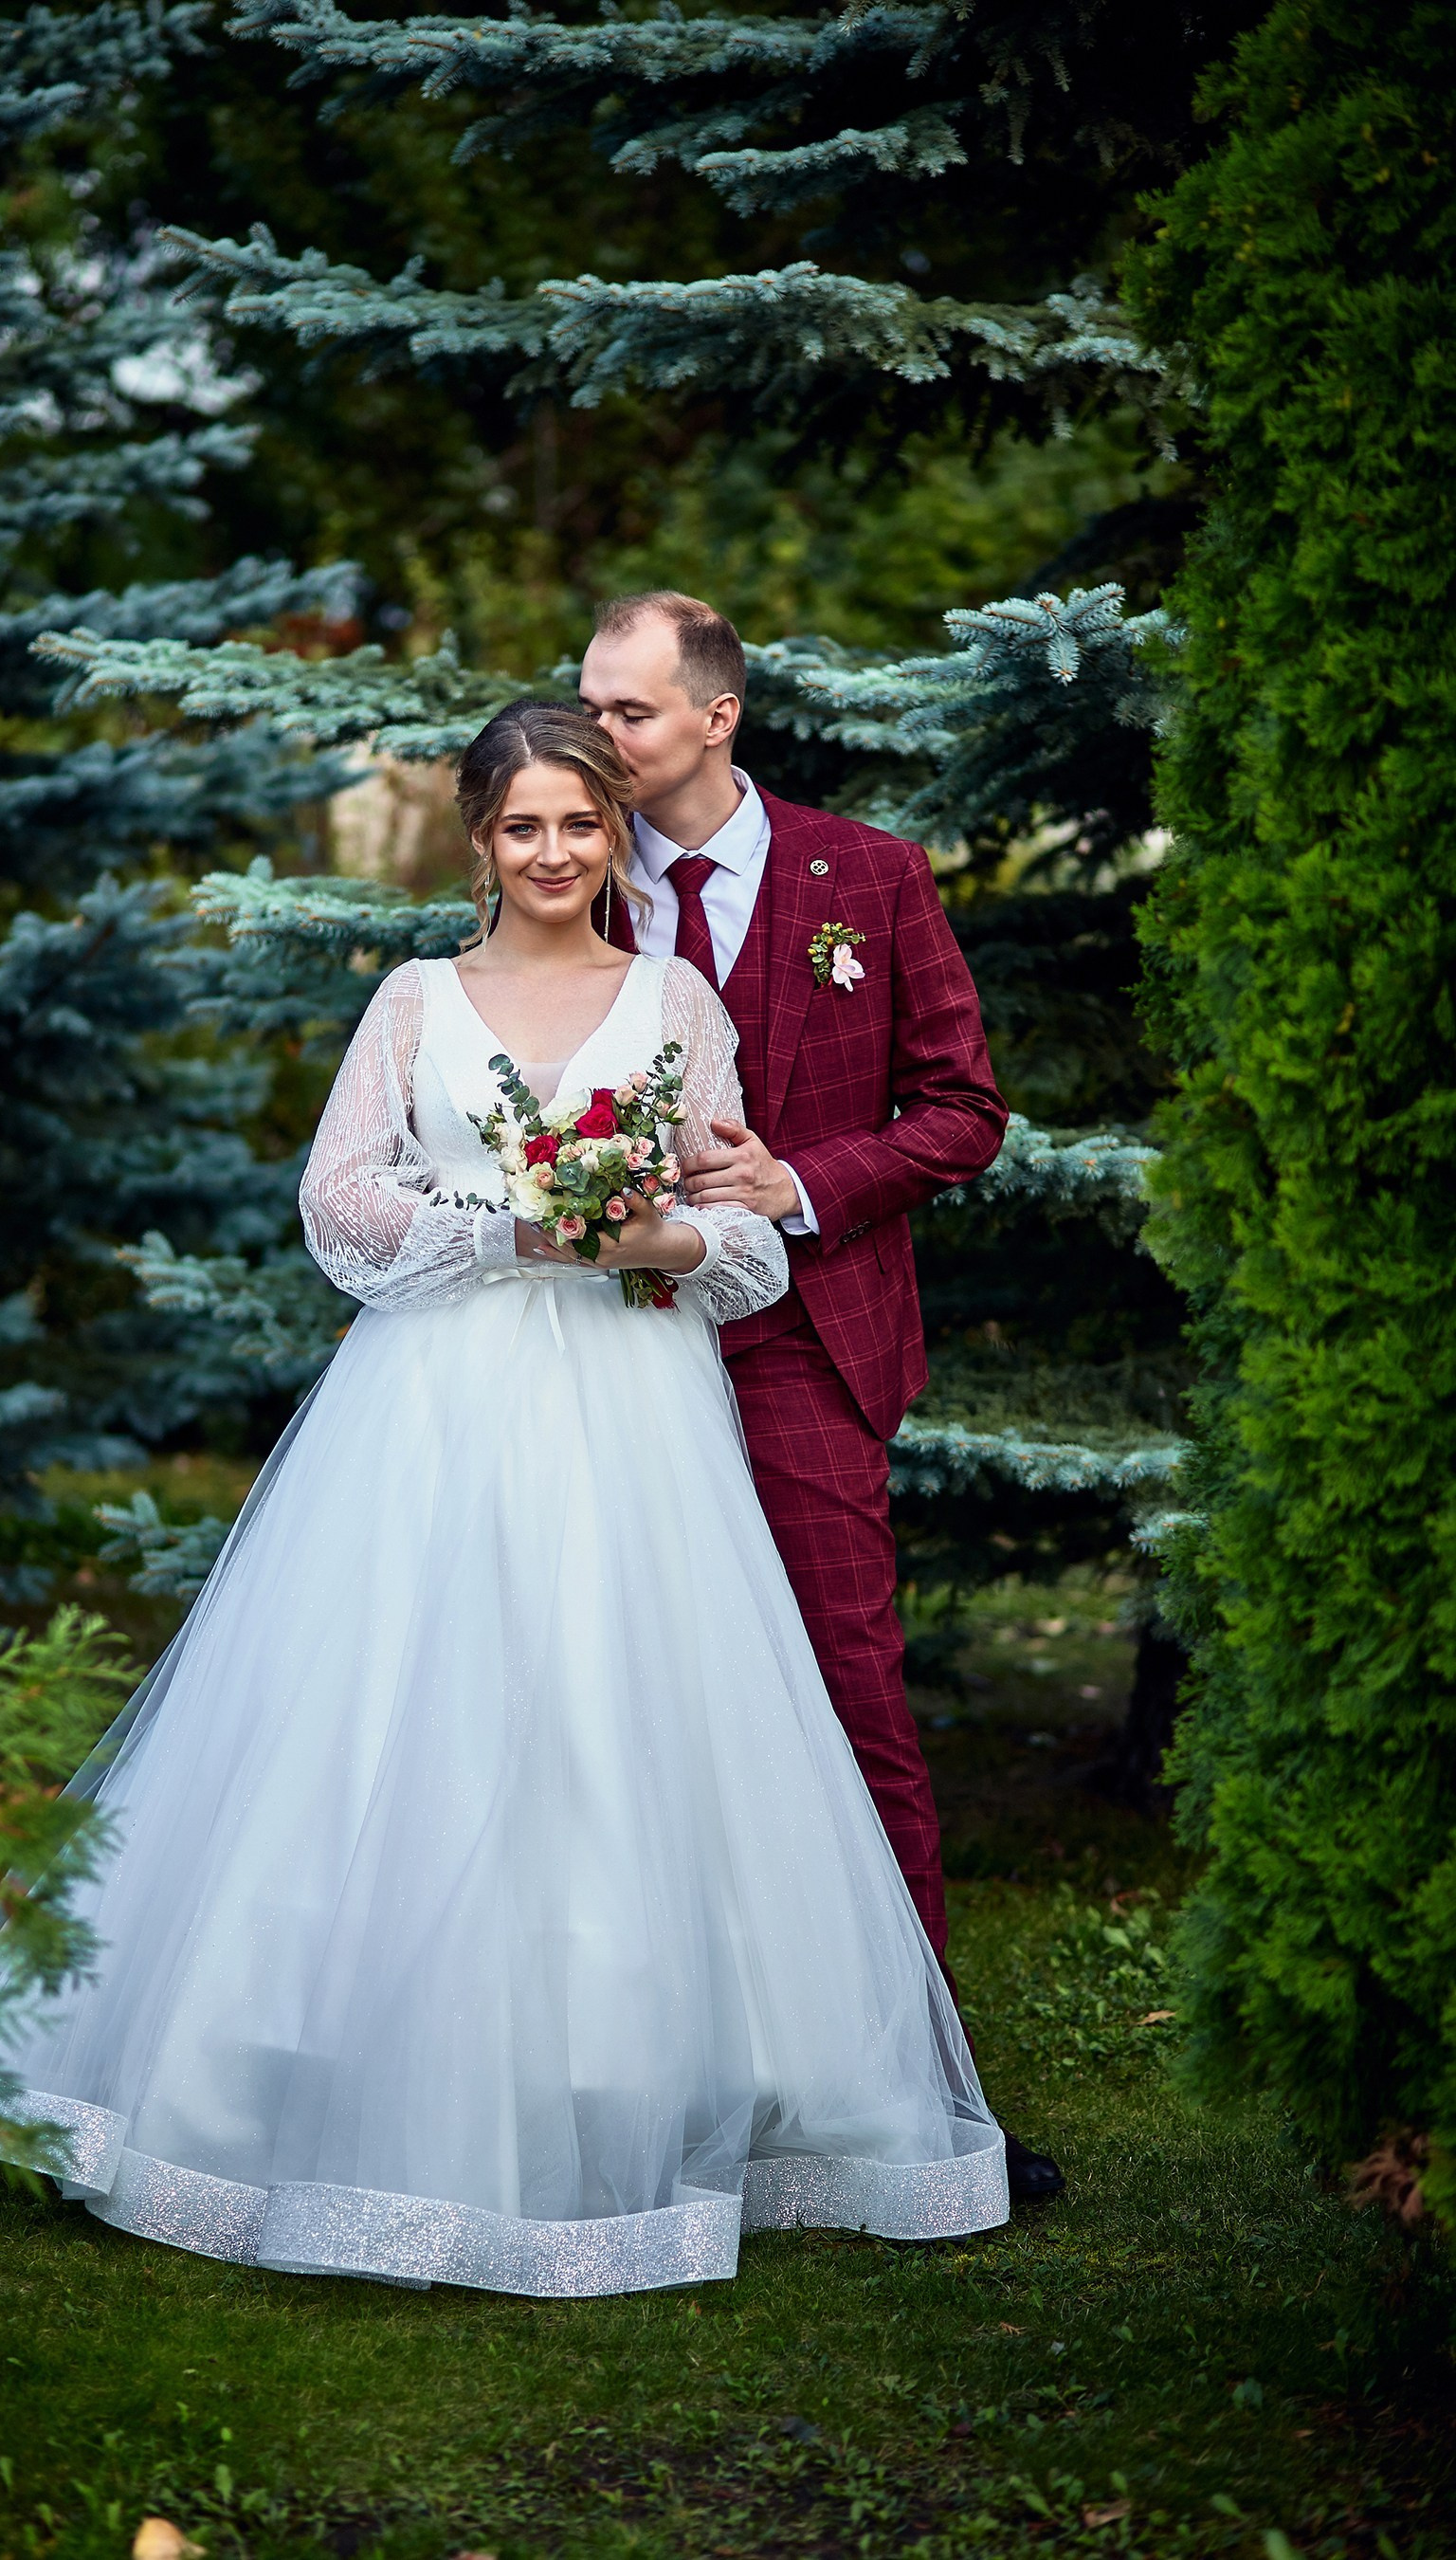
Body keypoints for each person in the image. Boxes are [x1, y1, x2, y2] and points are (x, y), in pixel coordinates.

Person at [0, 701, 1007, 2296]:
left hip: (633, 1406)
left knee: (620, 1710)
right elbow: (339, 1199)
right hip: (437, 1399)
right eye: (523, 826)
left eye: (580, 824)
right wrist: (509, 1228)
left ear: (613, 836)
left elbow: (740, 1236)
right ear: (480, 842)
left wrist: (660, 1237)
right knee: (409, 1705)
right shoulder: (414, 999)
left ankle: (627, 2066)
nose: (553, 852)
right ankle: (324, 2060)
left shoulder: (674, 1004)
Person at [580, 594, 1064, 2204]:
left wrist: (799, 1184)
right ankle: (639, 2074)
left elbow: (962, 1111)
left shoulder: (872, 877)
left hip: (805, 1340)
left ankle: (922, 2091)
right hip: (606, 1345)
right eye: (592, 705)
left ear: (718, 715)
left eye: (631, 711)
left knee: (852, 1701)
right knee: (615, 1705)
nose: (601, 737)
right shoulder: (571, 874)